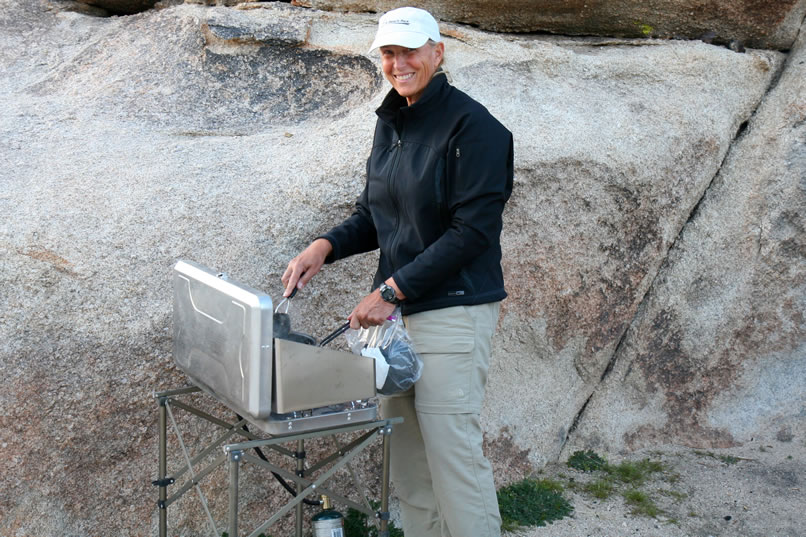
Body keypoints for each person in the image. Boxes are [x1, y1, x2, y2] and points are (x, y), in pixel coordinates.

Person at [281, 6, 513, 537]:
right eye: (389, 52)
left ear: (438, 51)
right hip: (398, 321)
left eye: (410, 51)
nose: (399, 63)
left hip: (452, 314)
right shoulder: (392, 121)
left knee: (454, 460)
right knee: (408, 461)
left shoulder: (476, 128)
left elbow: (471, 233)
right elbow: (376, 214)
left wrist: (390, 290)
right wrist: (326, 245)